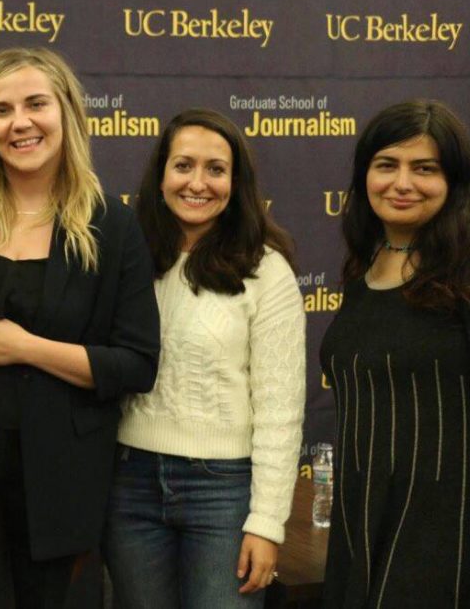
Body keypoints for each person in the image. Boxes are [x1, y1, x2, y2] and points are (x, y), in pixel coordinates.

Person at [0, 47, 161, 609]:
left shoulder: (111, 225)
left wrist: (27, 348)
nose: (19, 122)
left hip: (63, 480)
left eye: (35, 104)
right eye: (1, 110)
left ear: (67, 111)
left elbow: (137, 364)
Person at [105, 108, 306, 609]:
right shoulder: (127, 256)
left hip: (225, 494)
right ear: (161, 176)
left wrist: (266, 522)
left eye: (215, 169)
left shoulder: (267, 270)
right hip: (129, 484)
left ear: (235, 182)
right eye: (183, 166)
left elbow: (281, 410)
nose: (198, 183)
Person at [319, 99, 470, 608]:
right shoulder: (364, 271)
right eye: (387, 165)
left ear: (452, 182)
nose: (402, 183)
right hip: (361, 527)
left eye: (425, 169)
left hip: (446, 536)